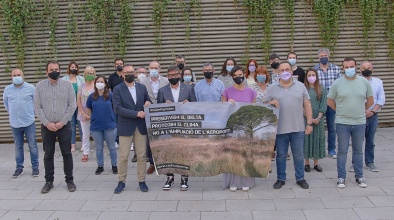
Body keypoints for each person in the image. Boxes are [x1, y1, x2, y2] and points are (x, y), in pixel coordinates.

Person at [264, 61, 313, 190]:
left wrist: (309, 123)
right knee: (280, 155)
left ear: (292, 71)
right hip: (280, 128)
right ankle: (281, 178)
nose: (285, 72)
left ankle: (300, 178)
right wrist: (270, 102)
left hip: (298, 127)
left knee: (298, 154)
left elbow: (307, 104)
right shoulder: (272, 87)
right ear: (278, 73)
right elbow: (263, 103)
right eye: (282, 70)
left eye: (287, 69)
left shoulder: (301, 86)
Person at [327, 57, 373, 188]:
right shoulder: (337, 83)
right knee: (342, 150)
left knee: (358, 150)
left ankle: (359, 176)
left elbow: (370, 100)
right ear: (343, 68)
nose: (349, 69)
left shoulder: (364, 82)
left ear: (356, 67)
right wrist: (340, 110)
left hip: (359, 122)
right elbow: (330, 101)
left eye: (351, 66)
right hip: (342, 122)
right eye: (346, 67)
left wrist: (361, 110)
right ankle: (341, 177)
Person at [34, 61, 77, 193]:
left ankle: (69, 181)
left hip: (63, 125)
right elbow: (37, 107)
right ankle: (49, 181)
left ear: (60, 70)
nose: (54, 71)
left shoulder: (67, 85)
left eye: (57, 69)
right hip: (47, 126)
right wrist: (47, 123)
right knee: (48, 155)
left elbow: (72, 105)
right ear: (46, 72)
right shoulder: (40, 86)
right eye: (51, 69)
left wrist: (62, 122)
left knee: (67, 154)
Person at [113, 64, 152, 193]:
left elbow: (147, 100)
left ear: (135, 73)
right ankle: (121, 181)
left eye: (131, 72)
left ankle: (142, 181)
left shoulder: (142, 87)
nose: (130, 74)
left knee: (141, 156)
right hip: (125, 126)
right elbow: (117, 108)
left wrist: (148, 103)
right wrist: (136, 113)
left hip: (140, 127)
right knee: (123, 156)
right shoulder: (118, 89)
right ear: (123, 74)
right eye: (127, 72)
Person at [157, 65, 197, 191]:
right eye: (170, 75)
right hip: (169, 128)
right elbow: (157, 110)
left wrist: (189, 105)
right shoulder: (162, 91)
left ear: (179, 75)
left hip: (184, 126)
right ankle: (170, 178)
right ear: (167, 76)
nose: (173, 77)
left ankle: (184, 178)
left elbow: (195, 106)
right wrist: (164, 105)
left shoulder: (189, 89)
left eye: (175, 75)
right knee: (169, 153)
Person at [221, 65, 257, 192]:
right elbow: (222, 111)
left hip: (246, 127)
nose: (238, 77)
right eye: (235, 75)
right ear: (232, 77)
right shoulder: (226, 92)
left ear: (244, 75)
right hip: (231, 127)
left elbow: (254, 110)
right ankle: (233, 181)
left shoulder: (251, 92)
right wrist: (227, 105)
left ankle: (246, 180)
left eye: (240, 75)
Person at [3, 68, 39, 178]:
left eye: (18, 75)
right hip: (15, 123)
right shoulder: (7, 89)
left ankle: (35, 167)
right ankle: (19, 167)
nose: (16, 77)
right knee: (18, 146)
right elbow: (6, 104)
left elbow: (35, 103)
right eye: (14, 75)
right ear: (11, 77)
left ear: (23, 76)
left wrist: (30, 114)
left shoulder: (31, 88)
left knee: (32, 145)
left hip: (29, 122)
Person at [351, 61, 385, 172]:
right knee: (357, 141)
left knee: (370, 140)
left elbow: (381, 99)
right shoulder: (354, 81)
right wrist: (362, 111)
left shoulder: (378, 82)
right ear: (360, 70)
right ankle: (355, 163)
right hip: (358, 115)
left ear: (372, 68)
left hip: (372, 115)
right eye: (364, 68)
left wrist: (372, 111)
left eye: (369, 67)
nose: (367, 69)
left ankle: (370, 162)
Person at [86, 76, 118, 175]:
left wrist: (114, 120)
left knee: (112, 147)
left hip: (109, 125)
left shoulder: (111, 95)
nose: (100, 83)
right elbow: (88, 109)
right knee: (99, 148)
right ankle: (100, 165)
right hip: (96, 126)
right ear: (95, 83)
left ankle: (114, 165)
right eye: (98, 81)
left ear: (105, 84)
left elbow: (115, 108)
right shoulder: (91, 96)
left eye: (102, 81)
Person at [313, 48, 341, 158]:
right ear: (318, 57)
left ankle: (332, 150)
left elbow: (340, 85)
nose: (323, 57)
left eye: (325, 55)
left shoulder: (336, 69)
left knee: (332, 127)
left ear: (329, 56)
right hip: (318, 102)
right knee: (317, 127)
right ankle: (317, 149)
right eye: (321, 55)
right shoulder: (314, 70)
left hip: (331, 102)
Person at [303, 68, 327, 172]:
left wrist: (318, 118)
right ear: (306, 77)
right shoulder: (303, 89)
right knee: (306, 140)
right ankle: (306, 163)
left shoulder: (322, 89)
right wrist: (309, 118)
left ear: (316, 76)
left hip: (319, 119)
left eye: (313, 75)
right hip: (305, 119)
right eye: (309, 75)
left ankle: (316, 163)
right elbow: (300, 105)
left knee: (317, 139)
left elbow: (324, 104)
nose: (311, 77)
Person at [62, 62, 84, 152]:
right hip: (69, 107)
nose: (73, 68)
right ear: (69, 68)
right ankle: (72, 145)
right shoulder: (64, 79)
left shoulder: (81, 79)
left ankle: (84, 144)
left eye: (75, 67)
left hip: (80, 106)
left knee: (81, 126)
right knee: (71, 126)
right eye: (72, 67)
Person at [77, 66, 96, 162]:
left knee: (97, 134)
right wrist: (83, 113)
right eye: (88, 73)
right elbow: (78, 101)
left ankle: (99, 152)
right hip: (83, 114)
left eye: (91, 73)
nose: (90, 75)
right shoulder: (81, 86)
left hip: (95, 114)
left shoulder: (97, 86)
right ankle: (85, 152)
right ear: (84, 74)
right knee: (85, 134)